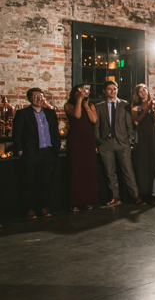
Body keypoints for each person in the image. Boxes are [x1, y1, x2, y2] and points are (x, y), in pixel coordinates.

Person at [13, 88, 61, 219]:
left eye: (40, 96)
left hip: (48, 152)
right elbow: (17, 134)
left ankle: (44, 207)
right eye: (35, 97)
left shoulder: (50, 113)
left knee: (45, 182)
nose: (38, 99)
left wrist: (56, 148)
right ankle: (29, 209)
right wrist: (21, 152)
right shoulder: (23, 114)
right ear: (29, 99)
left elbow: (55, 132)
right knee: (29, 182)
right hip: (31, 153)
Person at [94, 81, 142, 206]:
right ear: (105, 91)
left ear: (117, 90)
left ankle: (135, 196)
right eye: (109, 89)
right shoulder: (99, 106)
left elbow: (130, 125)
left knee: (128, 171)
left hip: (122, 142)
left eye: (114, 89)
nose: (112, 91)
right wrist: (98, 140)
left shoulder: (125, 105)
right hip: (106, 143)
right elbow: (96, 126)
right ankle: (115, 197)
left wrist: (129, 138)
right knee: (110, 173)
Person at [65, 84, 98, 211]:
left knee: (89, 170)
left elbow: (94, 120)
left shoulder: (90, 105)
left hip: (88, 139)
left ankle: (88, 200)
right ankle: (76, 202)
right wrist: (79, 100)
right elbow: (77, 116)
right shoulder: (69, 105)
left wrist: (87, 107)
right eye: (82, 91)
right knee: (77, 170)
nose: (85, 93)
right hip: (76, 140)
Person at [131, 84, 155, 202]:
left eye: (144, 90)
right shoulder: (135, 105)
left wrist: (153, 111)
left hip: (152, 134)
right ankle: (143, 190)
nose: (143, 93)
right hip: (141, 135)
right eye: (140, 91)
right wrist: (146, 109)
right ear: (137, 94)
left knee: (154, 160)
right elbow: (136, 121)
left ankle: (152, 189)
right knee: (141, 162)